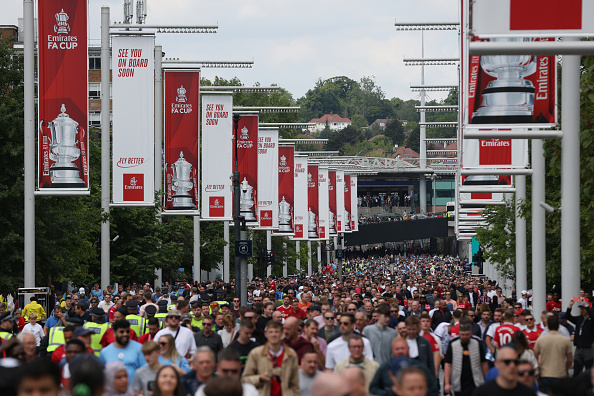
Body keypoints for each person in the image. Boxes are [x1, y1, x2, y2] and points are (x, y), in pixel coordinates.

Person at [242, 319, 300, 396]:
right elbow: (245, 379)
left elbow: (295, 383)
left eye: (276, 332)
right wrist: (259, 378)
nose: (274, 335)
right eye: (271, 332)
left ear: (282, 333)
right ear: (266, 334)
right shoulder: (256, 353)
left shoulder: (291, 354)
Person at [444, 321, 488, 396]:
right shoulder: (453, 344)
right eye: (462, 335)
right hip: (458, 383)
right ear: (459, 333)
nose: (465, 337)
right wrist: (447, 383)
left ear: (471, 333)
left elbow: (483, 363)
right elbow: (448, 364)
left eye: (467, 334)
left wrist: (487, 380)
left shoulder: (477, 343)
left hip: (476, 382)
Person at [470, 346, 537, 396]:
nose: (512, 366)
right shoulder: (482, 392)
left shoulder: (528, 393)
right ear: (497, 364)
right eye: (507, 362)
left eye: (516, 362)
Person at [534, 313, 573, 393]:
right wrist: (564, 368)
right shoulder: (565, 340)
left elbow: (535, 355)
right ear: (558, 326)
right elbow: (570, 359)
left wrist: (539, 368)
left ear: (547, 326)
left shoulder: (541, 339)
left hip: (545, 373)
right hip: (560, 373)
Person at [100, 319, 146, 386]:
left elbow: (145, 371)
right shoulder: (105, 352)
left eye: (127, 332)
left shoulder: (140, 348)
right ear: (114, 333)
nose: (125, 334)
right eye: (121, 332)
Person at [195, 349, 259, 396]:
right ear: (218, 368)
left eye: (234, 371)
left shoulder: (250, 391)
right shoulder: (205, 390)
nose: (229, 375)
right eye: (225, 371)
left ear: (239, 370)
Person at [566, 298, 594, 376]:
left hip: (588, 349)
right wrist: (570, 306)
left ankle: (589, 386)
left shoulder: (591, 319)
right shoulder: (579, 318)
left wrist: (587, 306)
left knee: (589, 370)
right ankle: (577, 386)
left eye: (584, 308)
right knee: (577, 370)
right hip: (579, 348)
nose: (582, 310)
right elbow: (568, 316)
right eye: (581, 308)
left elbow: (592, 316)